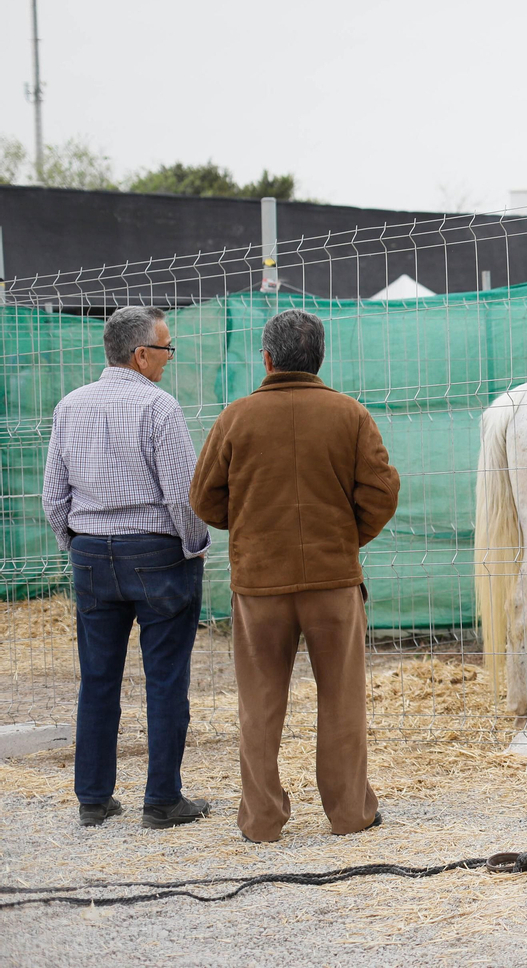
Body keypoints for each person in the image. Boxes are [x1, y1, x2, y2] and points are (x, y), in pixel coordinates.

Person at [190, 309, 400, 843]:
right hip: (333, 580)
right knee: (342, 698)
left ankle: (262, 821)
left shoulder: (235, 418)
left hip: (259, 584)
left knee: (259, 704)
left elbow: (204, 498)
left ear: (266, 358)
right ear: (320, 358)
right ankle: (350, 813)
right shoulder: (349, 415)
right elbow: (381, 491)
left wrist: (252, 528)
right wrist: (348, 538)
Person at [42, 305, 213, 829]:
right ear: (141, 355)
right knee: (165, 679)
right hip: (156, 553)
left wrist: (76, 542)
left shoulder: (69, 406)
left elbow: (54, 497)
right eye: (166, 348)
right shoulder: (159, 408)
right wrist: (194, 545)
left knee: (97, 679)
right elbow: (184, 497)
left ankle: (93, 798)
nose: (168, 358)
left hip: (92, 554)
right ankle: (161, 800)